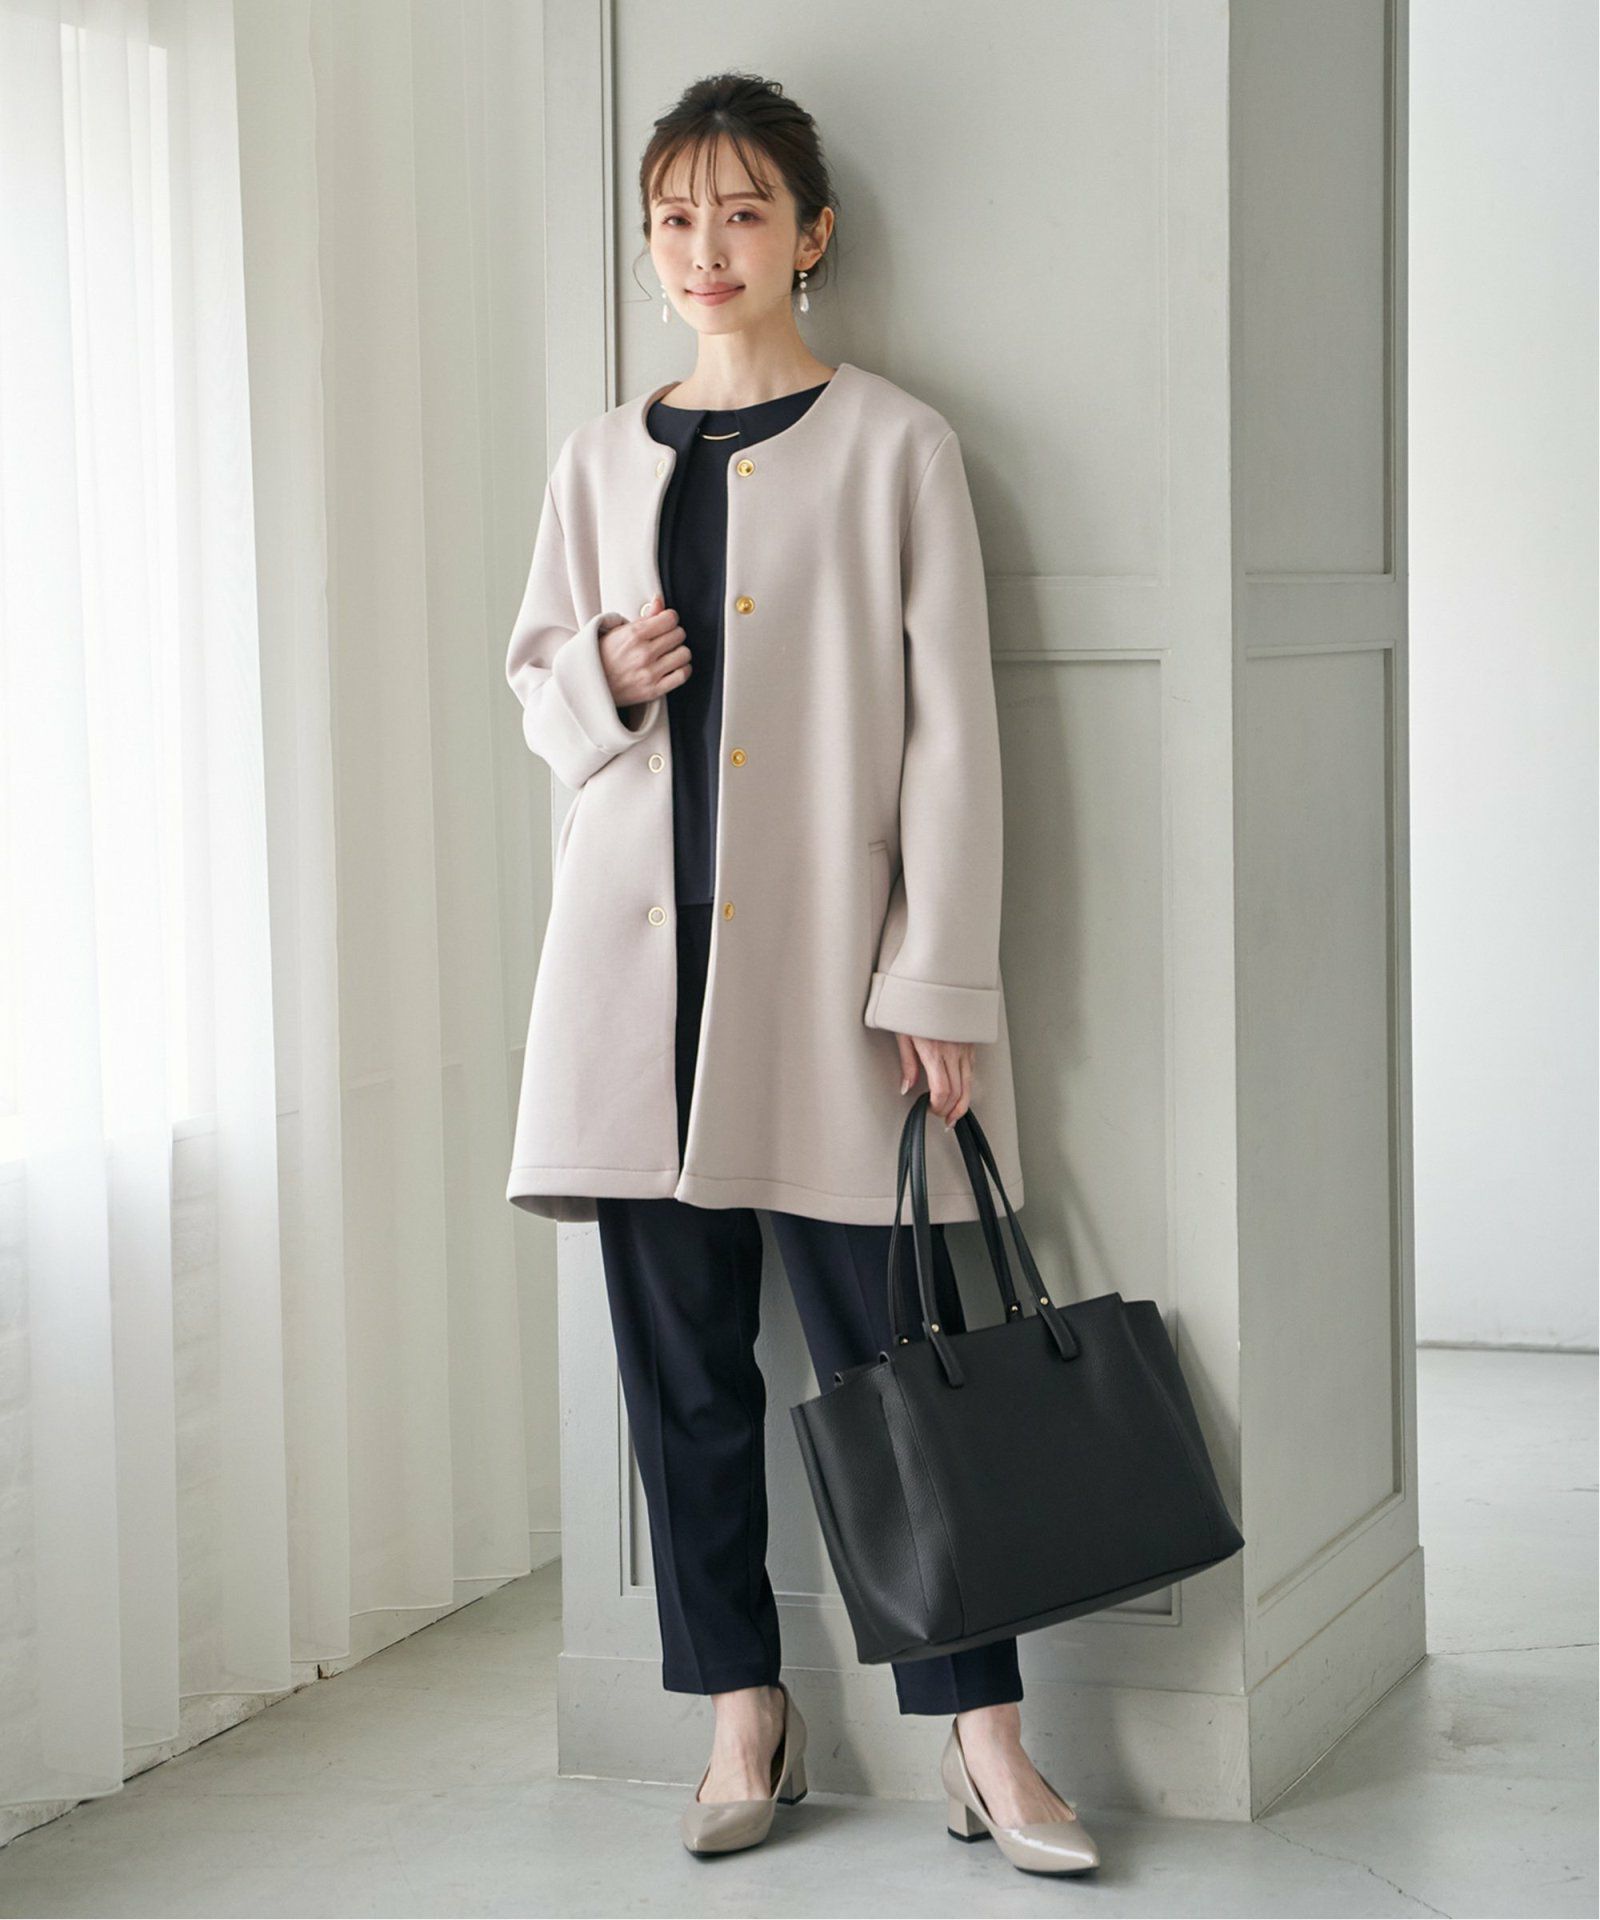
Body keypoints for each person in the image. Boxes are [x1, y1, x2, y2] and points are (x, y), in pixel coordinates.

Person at [504, 72, 1097, 1875]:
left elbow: (953, 739)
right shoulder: (598, 459)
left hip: (834, 988)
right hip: (634, 995)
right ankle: (737, 1714)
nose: (706, 248)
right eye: (675, 218)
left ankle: (985, 1739)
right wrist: (603, 677)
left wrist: (939, 983)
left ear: (809, 235)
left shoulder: (897, 446)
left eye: (742, 212)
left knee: (898, 1370)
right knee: (682, 1381)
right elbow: (536, 692)